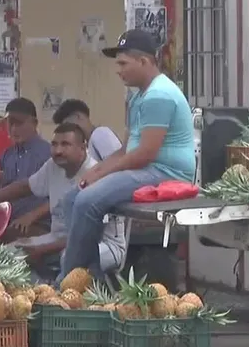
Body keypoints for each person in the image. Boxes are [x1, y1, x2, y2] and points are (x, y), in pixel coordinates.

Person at [57, 29, 196, 283]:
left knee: (87, 201)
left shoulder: (159, 94)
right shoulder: (138, 96)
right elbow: (126, 149)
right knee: (71, 199)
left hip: (165, 174)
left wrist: (103, 175)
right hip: (146, 169)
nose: (117, 70)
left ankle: (67, 281)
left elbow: (144, 154)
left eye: (123, 63)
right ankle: (90, 278)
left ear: (144, 62)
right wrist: (96, 172)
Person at [0, 122, 125, 281]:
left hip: (103, 245)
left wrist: (41, 249)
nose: (58, 151)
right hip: (57, 238)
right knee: (7, 253)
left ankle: (59, 296)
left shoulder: (94, 175)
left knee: (69, 258)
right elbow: (26, 186)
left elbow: (82, 238)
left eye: (65, 144)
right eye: (54, 144)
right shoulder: (53, 166)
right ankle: (38, 293)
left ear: (82, 147)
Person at [0, 97, 50, 239]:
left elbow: (60, 197)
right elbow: (1, 192)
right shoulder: (6, 156)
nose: (14, 129)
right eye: (10, 123)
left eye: (19, 123)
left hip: (40, 225)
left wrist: (31, 216)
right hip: (9, 223)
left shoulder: (49, 154)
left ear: (34, 123)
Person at [52, 99, 122, 162]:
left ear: (77, 116)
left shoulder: (100, 134)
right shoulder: (87, 144)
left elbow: (118, 165)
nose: (68, 131)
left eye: (67, 124)